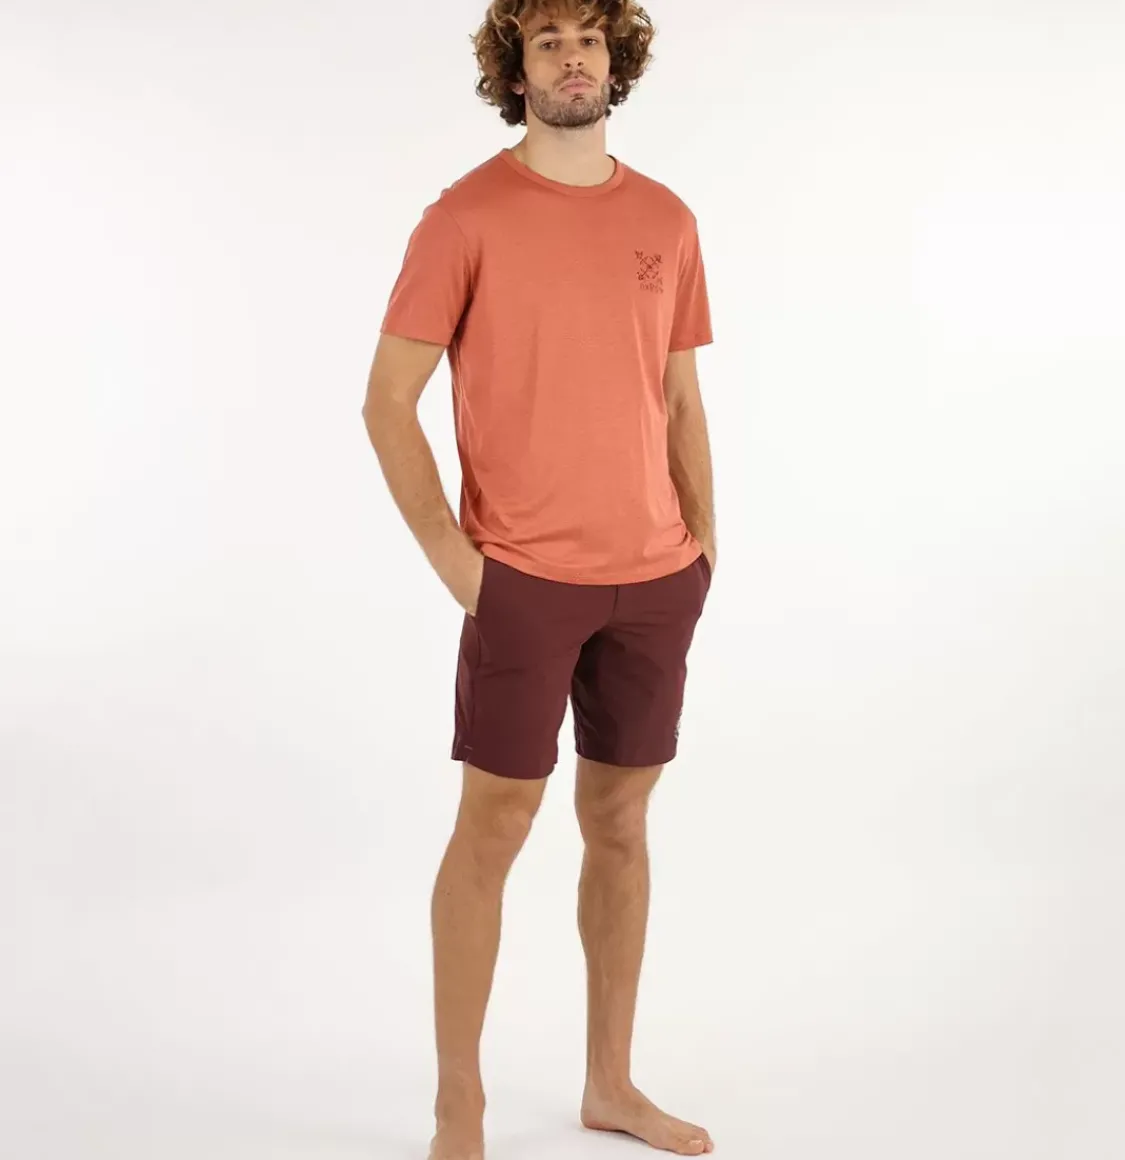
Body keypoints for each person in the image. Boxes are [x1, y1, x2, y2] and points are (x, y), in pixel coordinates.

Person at [362, 2, 716, 1156]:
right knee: (494, 826)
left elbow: (676, 397)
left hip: (654, 580)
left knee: (620, 821)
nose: (572, 55)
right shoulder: (463, 218)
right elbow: (387, 402)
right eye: (547, 39)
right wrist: (458, 565)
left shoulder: (666, 219)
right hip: (520, 578)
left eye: (589, 37)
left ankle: (609, 1082)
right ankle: (456, 1106)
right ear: (514, 71)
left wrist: (702, 546)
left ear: (617, 60)